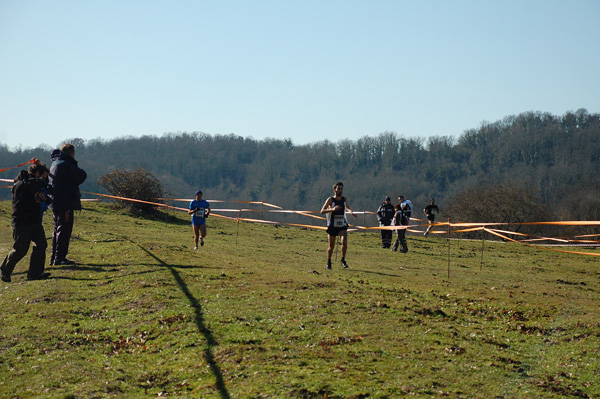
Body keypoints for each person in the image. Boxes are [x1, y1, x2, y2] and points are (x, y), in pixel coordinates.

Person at [1, 163, 53, 282]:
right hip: (22, 222)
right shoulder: (20, 185)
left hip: (35, 221)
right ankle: (5, 269)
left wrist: (43, 198)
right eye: (44, 177)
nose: (45, 180)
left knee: (41, 244)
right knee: (21, 249)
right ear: (37, 174)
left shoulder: (35, 185)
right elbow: (19, 205)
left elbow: (46, 201)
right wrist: (35, 200)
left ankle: (35, 273)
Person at [49, 144, 87, 266]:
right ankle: (60, 257)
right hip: (65, 201)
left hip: (56, 201)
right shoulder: (66, 164)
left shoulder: (55, 163)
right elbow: (82, 175)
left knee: (57, 229)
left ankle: (54, 256)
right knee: (64, 229)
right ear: (71, 153)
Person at [320, 181, 357, 269]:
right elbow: (322, 211)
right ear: (334, 190)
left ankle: (343, 260)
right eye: (338, 189)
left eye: (341, 189)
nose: (340, 190)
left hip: (342, 224)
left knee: (344, 242)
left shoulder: (344, 199)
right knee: (331, 246)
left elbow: (347, 207)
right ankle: (329, 262)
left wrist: (351, 212)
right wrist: (333, 209)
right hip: (332, 225)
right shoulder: (330, 200)